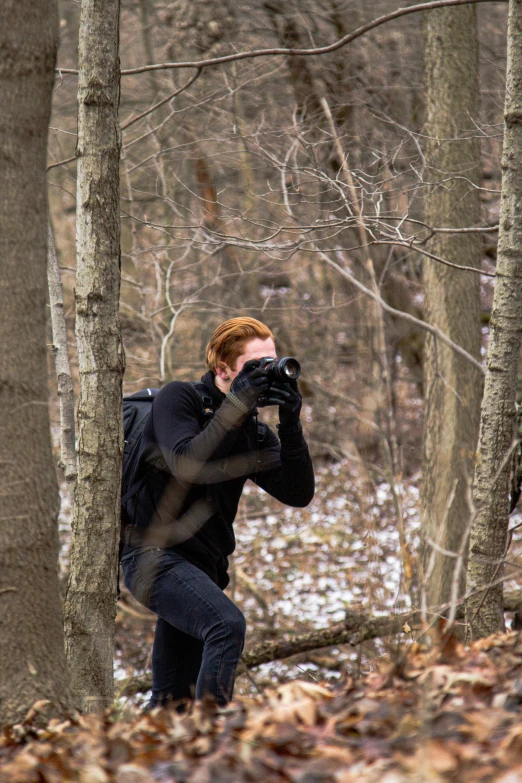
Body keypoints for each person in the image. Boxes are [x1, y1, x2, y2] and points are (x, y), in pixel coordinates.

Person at [120, 317, 315, 710]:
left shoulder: (252, 431)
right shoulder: (180, 400)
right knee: (225, 626)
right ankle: (213, 743)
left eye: (272, 362)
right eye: (254, 366)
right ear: (223, 370)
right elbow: (188, 465)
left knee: (172, 700)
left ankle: (152, 762)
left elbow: (298, 493)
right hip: (151, 557)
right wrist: (238, 404)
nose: (266, 372)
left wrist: (291, 421)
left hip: (203, 569)